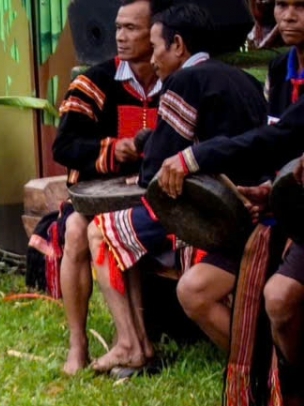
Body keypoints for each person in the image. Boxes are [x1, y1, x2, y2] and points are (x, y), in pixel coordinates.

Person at [86, 4, 267, 376]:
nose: (151, 59)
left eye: (155, 48)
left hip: (213, 219)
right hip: (254, 211)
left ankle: (130, 345)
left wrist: (147, 148)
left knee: (99, 231)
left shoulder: (184, 82)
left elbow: (155, 169)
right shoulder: (244, 80)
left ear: (179, 46)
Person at [156, 0, 304, 355]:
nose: (287, 15)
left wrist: (195, 155)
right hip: (285, 211)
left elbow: (282, 135)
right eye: (282, 4)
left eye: (300, 5)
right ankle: (265, 382)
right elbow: (278, 147)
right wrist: (268, 191)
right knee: (193, 290)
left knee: (280, 298)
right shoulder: (281, 66)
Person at [43, 0, 166, 375]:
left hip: (157, 200)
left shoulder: (175, 80)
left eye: (132, 28)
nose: (121, 37)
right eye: (118, 28)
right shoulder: (94, 82)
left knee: (101, 231)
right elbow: (63, 147)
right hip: (96, 198)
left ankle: (136, 340)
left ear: (156, 33)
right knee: (78, 231)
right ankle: (78, 345)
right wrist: (114, 150)